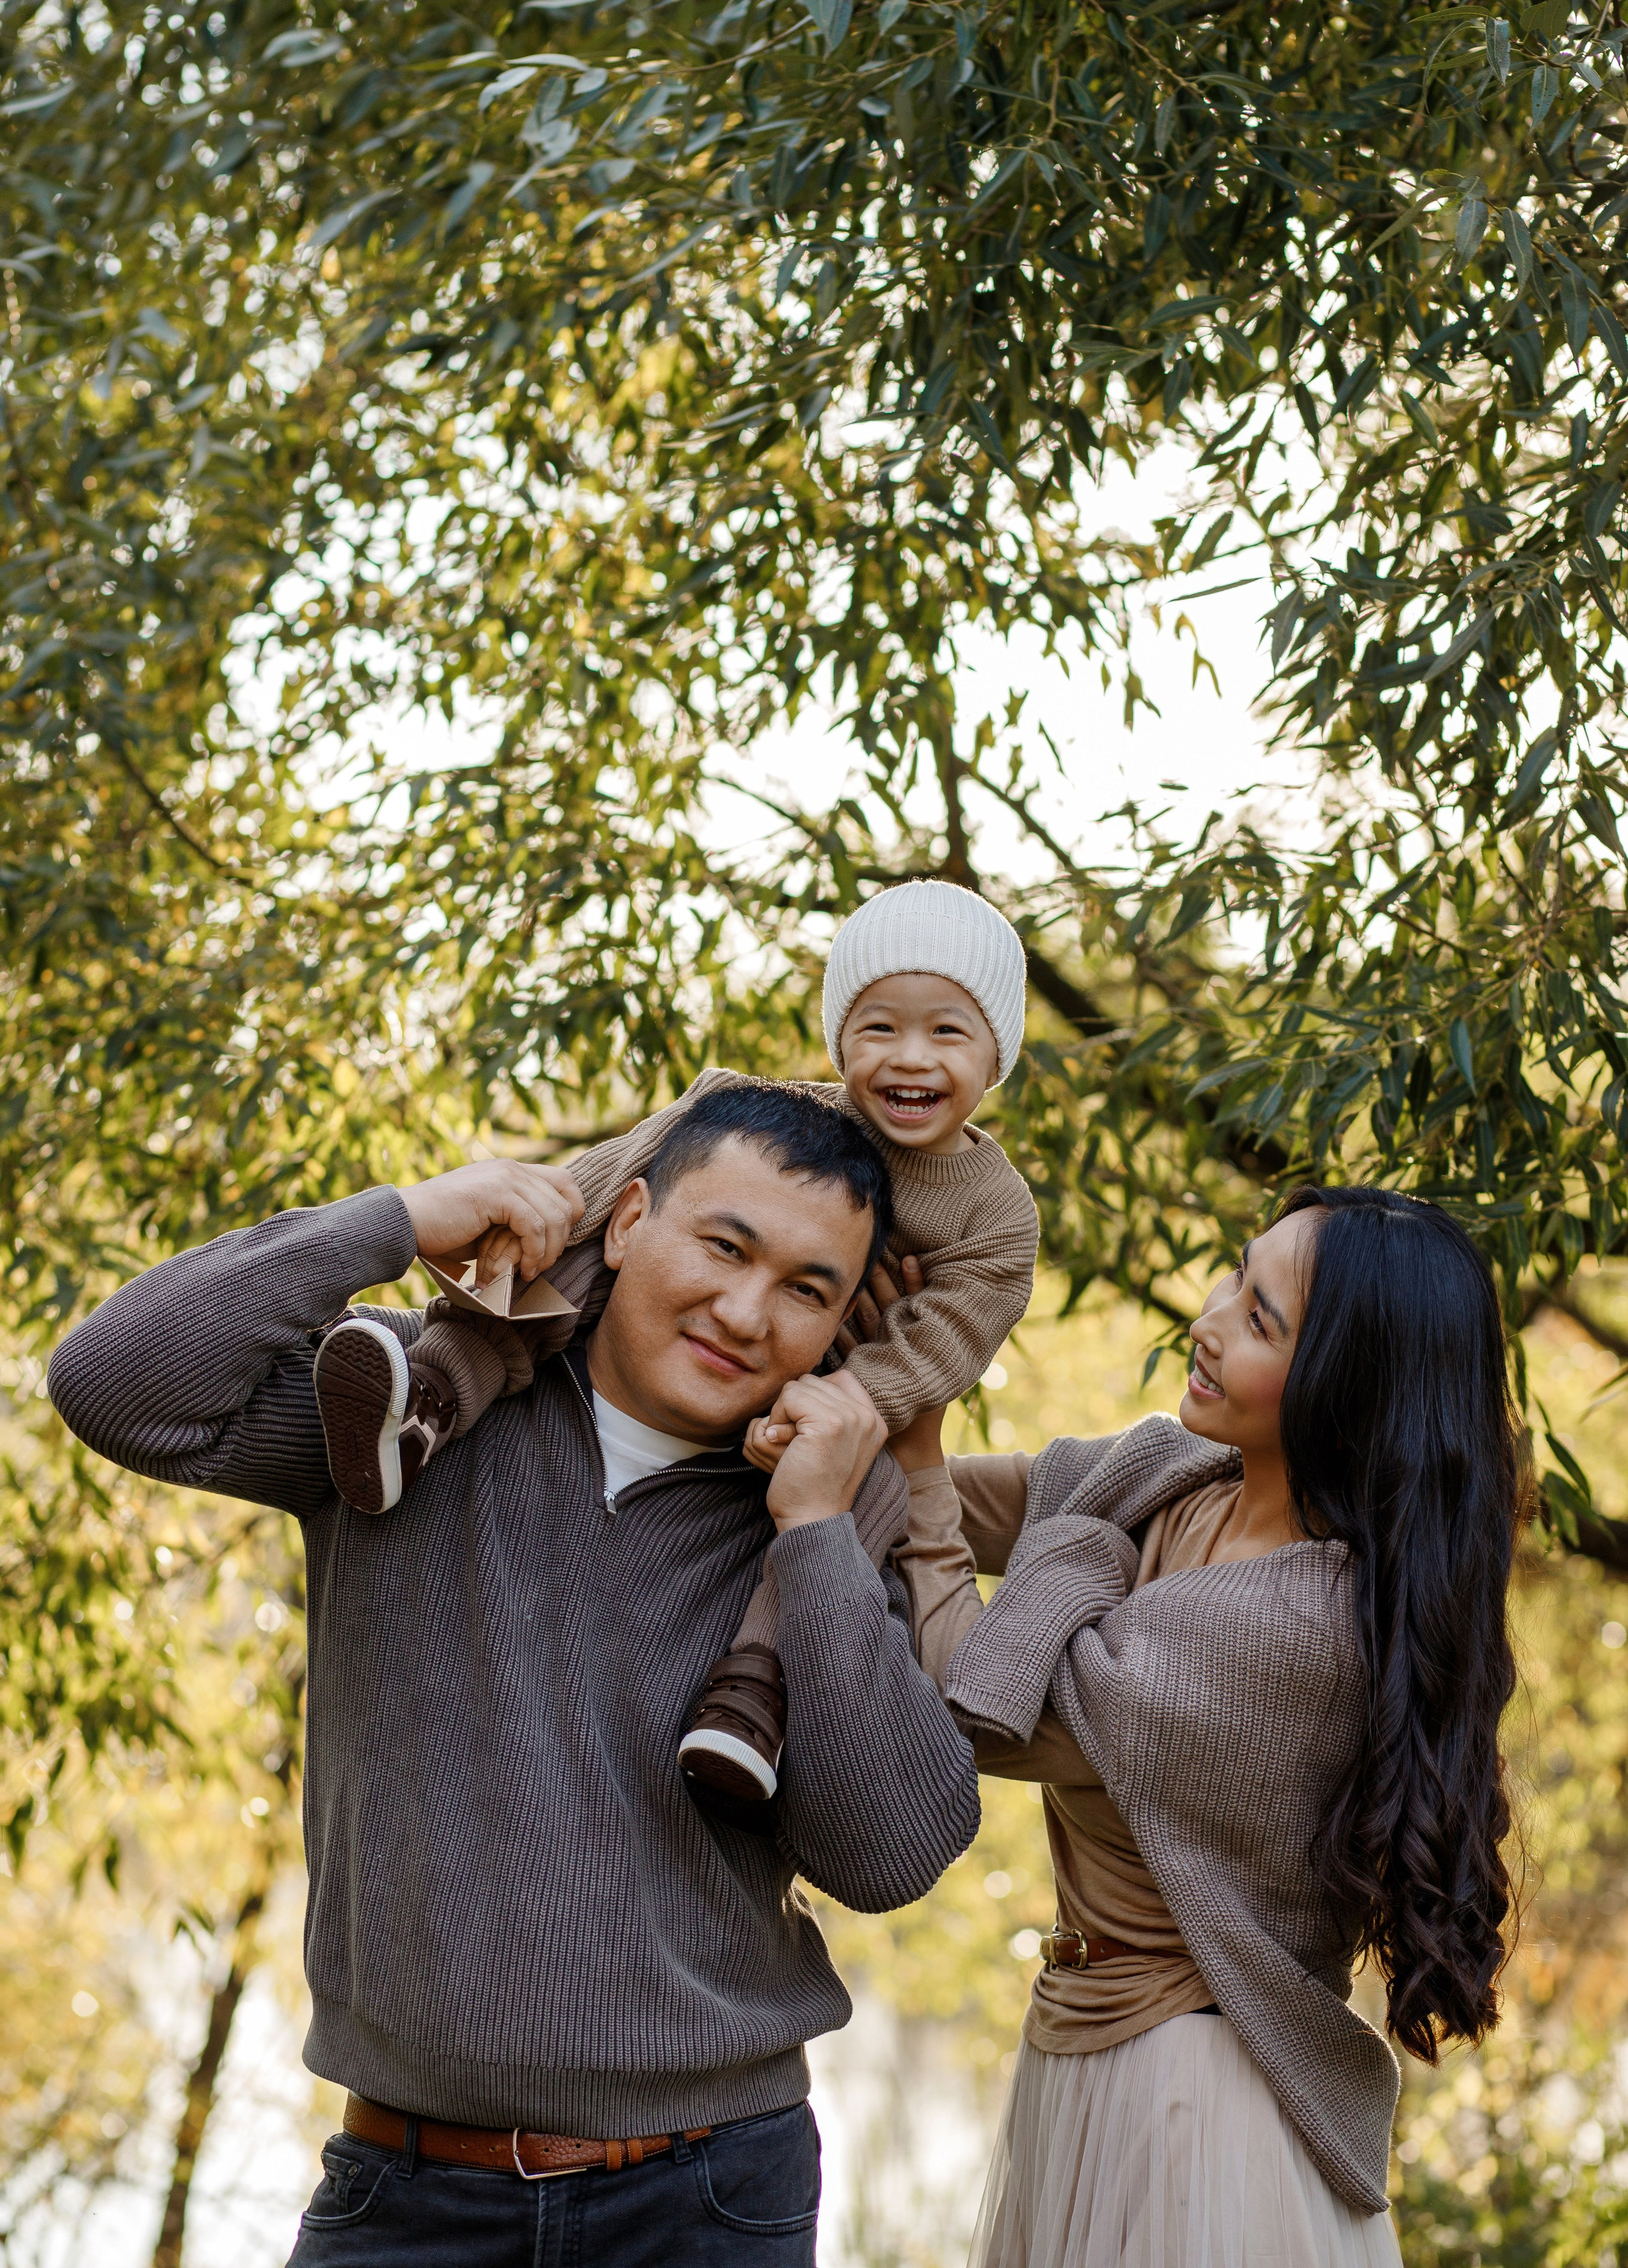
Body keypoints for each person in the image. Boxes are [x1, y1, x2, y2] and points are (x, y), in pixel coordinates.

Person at [46, 1085, 981, 2268]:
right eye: (724, 1247)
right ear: (628, 1219)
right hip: (406, 2194)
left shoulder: (833, 1513)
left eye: (808, 1290)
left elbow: (890, 1856)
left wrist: (816, 1534)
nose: (747, 1314)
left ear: (843, 1325)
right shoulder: (404, 1411)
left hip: (708, 2199)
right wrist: (400, 1219)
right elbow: (115, 1384)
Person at [879, 1183, 1521, 2268]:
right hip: (1092, 2055)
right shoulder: (1187, 1479)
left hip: (1191, 2107)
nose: (1211, 1320)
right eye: (1234, 1274)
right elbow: (942, 1503)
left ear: (1347, 1389)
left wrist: (1020, 1520)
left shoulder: (1292, 1628)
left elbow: (968, 1701)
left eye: (1261, 1321)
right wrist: (883, 1369)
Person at [313, 878, 1040, 1804]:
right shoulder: (764, 1115)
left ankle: (754, 1688)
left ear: (997, 1052)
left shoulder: (995, 1215)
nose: (910, 1057)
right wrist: (532, 1223)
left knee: (858, 1494)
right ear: (839, 1039)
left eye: (947, 1032)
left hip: (840, 1394)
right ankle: (429, 1400)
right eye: (878, 1028)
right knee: (577, 1274)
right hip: (706, 1353)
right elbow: (624, 1174)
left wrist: (851, 1403)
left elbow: (955, 1335)